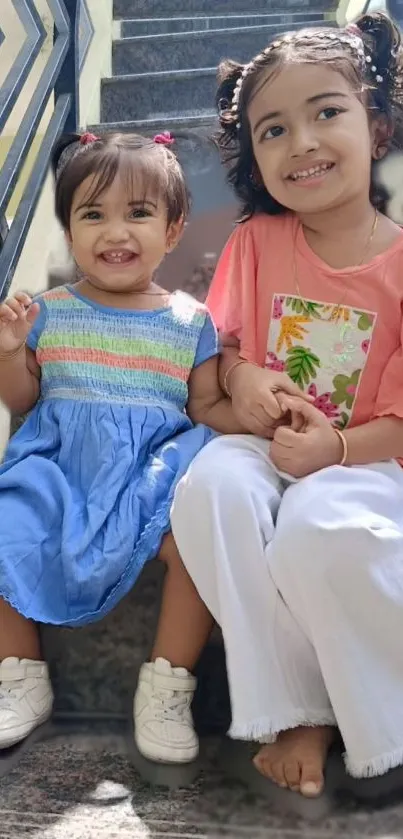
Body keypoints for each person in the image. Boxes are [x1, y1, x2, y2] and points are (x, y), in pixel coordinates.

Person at [171, 12, 403, 798]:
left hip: (367, 459)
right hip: (263, 444)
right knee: (211, 488)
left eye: (326, 113)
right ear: (254, 156)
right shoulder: (255, 242)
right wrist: (240, 380)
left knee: (319, 529)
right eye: (273, 128)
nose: (301, 141)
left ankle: (375, 721)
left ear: (375, 128)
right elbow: (223, 348)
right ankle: (290, 705)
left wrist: (334, 451)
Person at [0, 130, 248, 764]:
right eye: (93, 214)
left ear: (172, 229)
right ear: (70, 231)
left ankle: (167, 685)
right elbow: (24, 401)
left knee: (195, 543)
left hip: (148, 480)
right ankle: (19, 672)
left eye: (138, 213)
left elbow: (204, 408)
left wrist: (249, 405)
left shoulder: (191, 321)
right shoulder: (49, 313)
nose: (116, 231)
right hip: (60, 473)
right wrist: (8, 352)